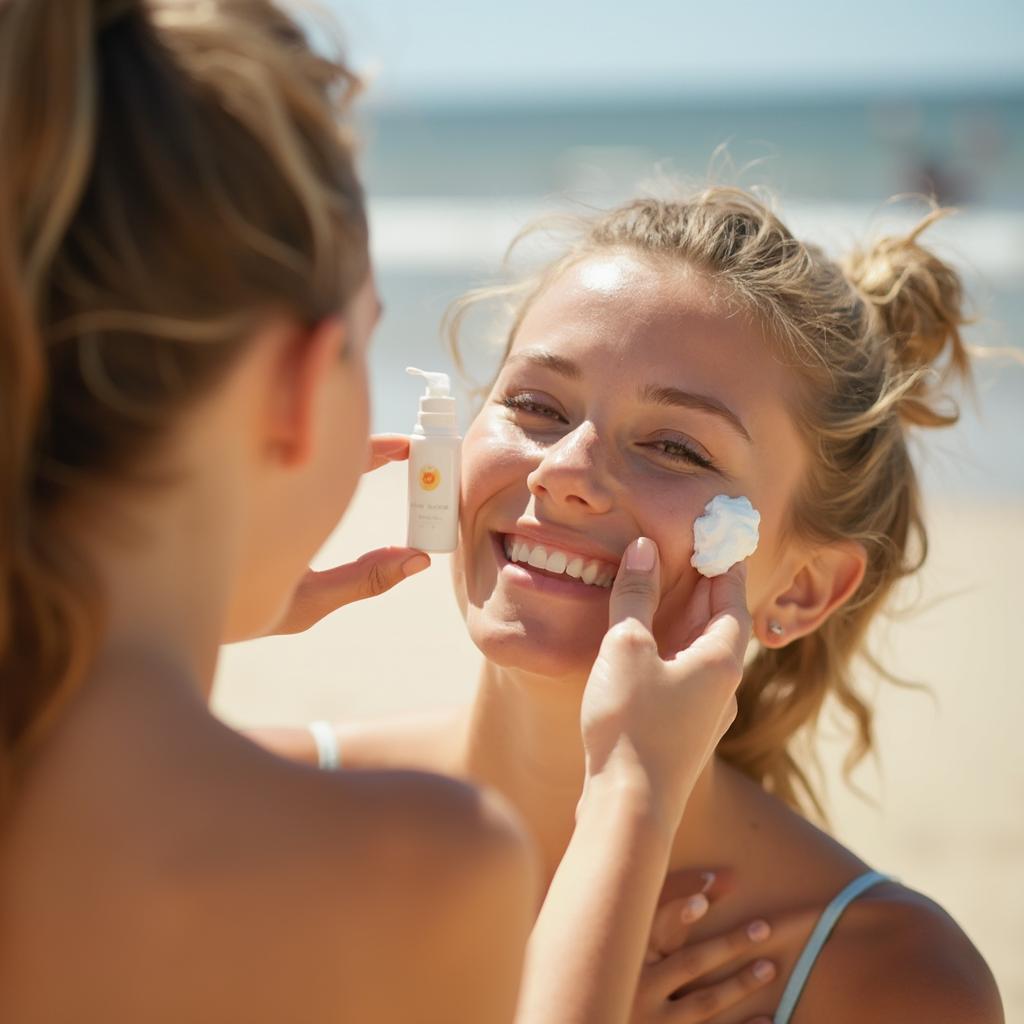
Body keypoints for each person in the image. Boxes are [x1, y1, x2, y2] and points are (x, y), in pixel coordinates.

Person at [0, 2, 755, 1021]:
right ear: (299, 382)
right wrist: (629, 789)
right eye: (363, 342)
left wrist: (175, 606)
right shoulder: (414, 860)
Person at [256, 188, 1005, 1022]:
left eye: (674, 447)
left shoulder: (889, 981)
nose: (564, 471)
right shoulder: (254, 810)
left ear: (803, 588)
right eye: (535, 405)